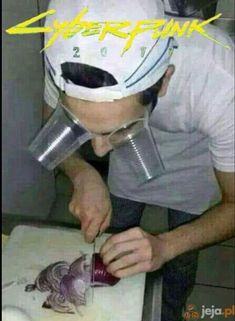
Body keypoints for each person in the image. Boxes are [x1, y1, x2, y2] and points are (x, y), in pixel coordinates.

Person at [41, 0, 234, 320]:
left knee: (179, 259)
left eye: (121, 128)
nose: (99, 151)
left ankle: (170, 309)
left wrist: (167, 246)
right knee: (114, 244)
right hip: (130, 168)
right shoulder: (71, 52)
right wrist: (80, 172)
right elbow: (52, 128)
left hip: (194, 165)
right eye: (85, 127)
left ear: (165, 80)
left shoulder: (220, 79)